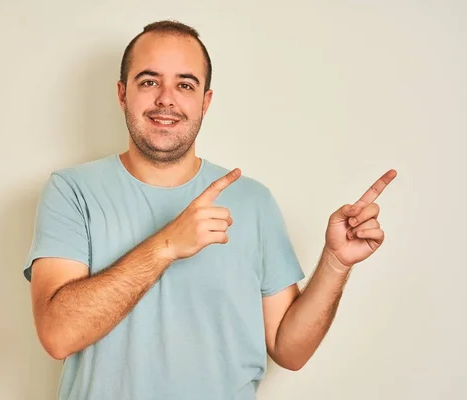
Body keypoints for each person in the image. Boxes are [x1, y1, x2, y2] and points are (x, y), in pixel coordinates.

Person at [22, 20, 397, 400]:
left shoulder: (253, 201)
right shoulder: (72, 191)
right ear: (122, 94)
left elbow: (290, 350)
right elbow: (57, 335)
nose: (166, 99)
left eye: (185, 85)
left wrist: (335, 262)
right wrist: (167, 244)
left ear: (205, 101)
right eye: (149, 81)